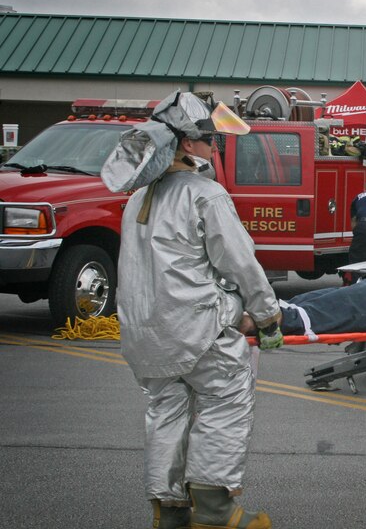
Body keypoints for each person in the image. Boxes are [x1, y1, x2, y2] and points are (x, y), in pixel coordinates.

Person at [101, 91, 282, 529]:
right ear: (185, 143)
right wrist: (267, 315)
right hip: (197, 326)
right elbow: (240, 262)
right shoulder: (206, 194)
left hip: (147, 336)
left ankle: (170, 511)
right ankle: (217, 512)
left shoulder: (137, 199)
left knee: (166, 410)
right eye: (208, 139)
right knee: (226, 398)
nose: (214, 146)